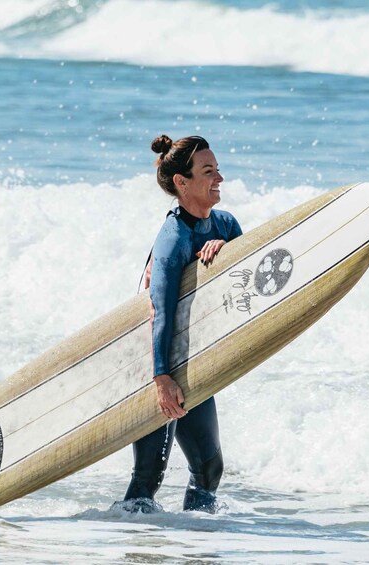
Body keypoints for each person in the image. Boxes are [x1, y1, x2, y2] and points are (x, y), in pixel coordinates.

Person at [122, 134, 242, 513]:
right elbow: (160, 311)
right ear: (182, 182)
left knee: (209, 468)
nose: (219, 177)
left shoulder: (225, 225)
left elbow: (248, 282)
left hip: (192, 364)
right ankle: (135, 547)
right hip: (160, 368)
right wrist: (161, 379)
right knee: (148, 477)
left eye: (218, 169)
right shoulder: (173, 239)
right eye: (209, 171)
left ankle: (195, 545)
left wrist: (226, 252)